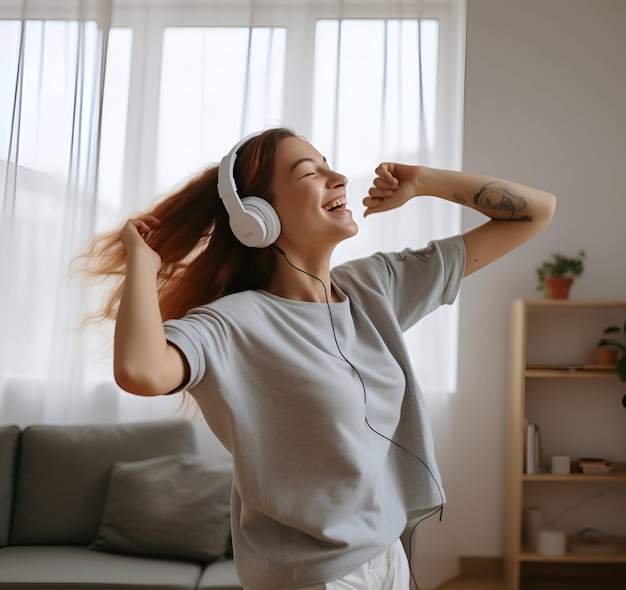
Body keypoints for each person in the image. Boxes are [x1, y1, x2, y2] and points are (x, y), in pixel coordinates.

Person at [83, 127, 555, 590]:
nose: (339, 178)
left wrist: (424, 182)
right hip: (315, 576)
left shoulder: (374, 287)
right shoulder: (234, 322)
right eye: (311, 173)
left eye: (330, 165)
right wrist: (143, 266)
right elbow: (141, 371)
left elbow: (535, 213)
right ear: (257, 217)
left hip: (388, 554)